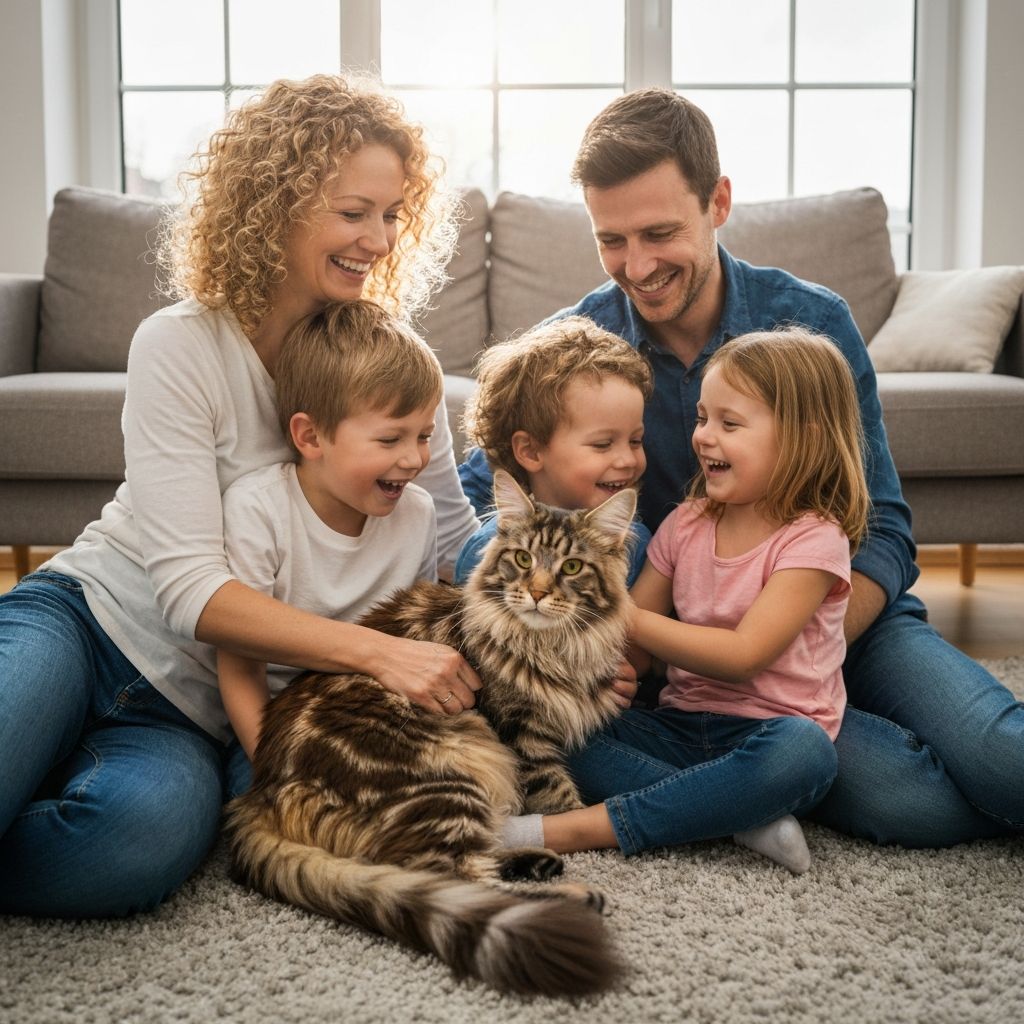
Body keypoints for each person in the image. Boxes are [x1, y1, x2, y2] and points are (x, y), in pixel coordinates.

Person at [460, 87, 1024, 849]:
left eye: (659, 232)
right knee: (908, 807)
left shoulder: (811, 326)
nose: (638, 265)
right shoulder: (579, 349)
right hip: (691, 675)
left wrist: (795, 645)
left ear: (718, 201)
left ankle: (760, 773)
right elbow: (475, 510)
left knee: (999, 760)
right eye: (612, 240)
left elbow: (884, 529)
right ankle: (749, 781)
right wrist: (601, 650)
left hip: (840, 620)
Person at [0, 75, 480, 918]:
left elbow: (453, 534)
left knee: (127, 851)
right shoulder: (181, 344)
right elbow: (189, 591)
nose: (377, 238)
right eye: (352, 211)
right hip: (85, 622)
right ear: (277, 203)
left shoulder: (392, 364)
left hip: (189, 711)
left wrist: (556, 607)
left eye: (392, 214)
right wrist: (376, 652)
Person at [540, 329, 869, 873]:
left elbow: (743, 655)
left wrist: (619, 612)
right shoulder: (686, 523)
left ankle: (577, 829)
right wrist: (603, 675)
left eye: (729, 424)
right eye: (701, 418)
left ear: (803, 439)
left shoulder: (815, 538)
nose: (703, 437)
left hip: (769, 736)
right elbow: (634, 651)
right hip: (677, 727)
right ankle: (738, 815)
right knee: (562, 730)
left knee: (808, 755)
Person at [218, 301, 446, 761]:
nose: (414, 459)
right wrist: (276, 769)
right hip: (278, 726)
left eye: (424, 436)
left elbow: (417, 640)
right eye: (389, 439)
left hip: (378, 714)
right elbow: (240, 669)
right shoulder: (259, 510)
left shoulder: (417, 513)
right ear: (311, 437)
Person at [453, 315, 653, 588]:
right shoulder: (486, 548)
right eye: (603, 444)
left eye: (636, 441)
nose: (628, 460)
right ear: (531, 452)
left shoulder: (638, 544)